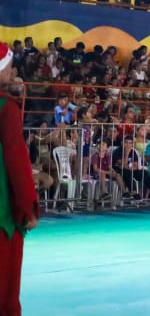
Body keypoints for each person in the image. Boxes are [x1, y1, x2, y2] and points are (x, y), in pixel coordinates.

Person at [1, 40, 41, 316]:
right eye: (9, 66)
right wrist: (28, 207)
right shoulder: (6, 108)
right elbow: (16, 161)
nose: (13, 71)